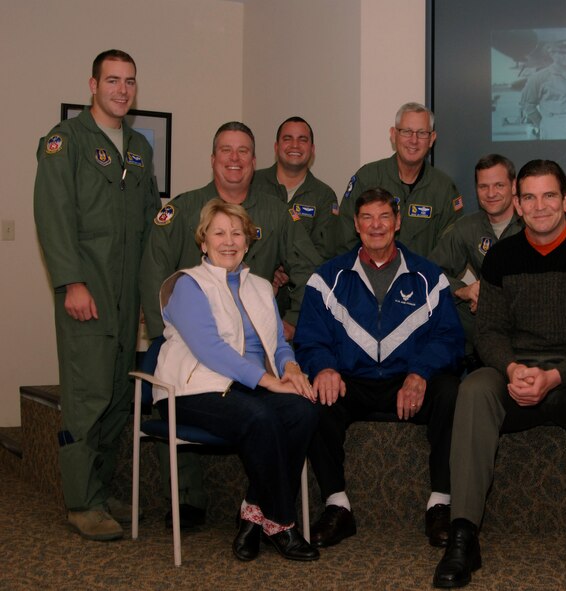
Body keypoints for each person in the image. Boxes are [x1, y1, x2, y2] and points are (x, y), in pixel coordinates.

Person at [433, 160, 566, 589]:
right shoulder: (501, 257)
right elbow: (490, 334)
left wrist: (555, 375)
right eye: (531, 197)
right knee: (475, 387)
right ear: (518, 205)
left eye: (550, 196)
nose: (540, 206)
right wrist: (513, 367)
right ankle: (463, 536)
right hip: (516, 375)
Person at [140, 121, 322, 529]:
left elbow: (305, 267)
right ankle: (208, 504)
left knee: (299, 411)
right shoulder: (185, 208)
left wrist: (288, 335)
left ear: (255, 161)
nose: (235, 159)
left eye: (243, 151)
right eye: (226, 150)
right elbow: (155, 272)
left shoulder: (274, 216)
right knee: (250, 412)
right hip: (198, 366)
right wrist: (165, 333)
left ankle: (256, 515)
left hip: (250, 361)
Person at [34, 49, 161, 541]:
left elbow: (150, 218)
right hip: (87, 289)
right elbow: (53, 215)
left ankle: (101, 490)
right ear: (93, 85)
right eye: (112, 80)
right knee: (87, 396)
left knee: (115, 396)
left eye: (129, 81)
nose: (122, 90)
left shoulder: (138, 147)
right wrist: (71, 282)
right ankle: (81, 502)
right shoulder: (65, 142)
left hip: (127, 294)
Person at [295, 188, 464, 549]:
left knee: (450, 391)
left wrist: (420, 373)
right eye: (367, 218)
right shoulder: (327, 279)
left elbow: (449, 338)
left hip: (408, 381)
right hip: (351, 381)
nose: (376, 226)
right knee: (312, 398)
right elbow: (309, 339)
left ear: (397, 222)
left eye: (384, 217)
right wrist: (324, 367)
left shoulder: (429, 278)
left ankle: (441, 504)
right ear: (356, 224)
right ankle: (336, 506)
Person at [154, 199, 319, 562]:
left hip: (244, 388)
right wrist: (268, 380)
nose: (228, 241)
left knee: (302, 411)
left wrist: (289, 368)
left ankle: (253, 513)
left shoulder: (261, 287)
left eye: (236, 233)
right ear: (203, 242)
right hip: (190, 390)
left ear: (248, 242)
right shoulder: (187, 285)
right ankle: (282, 524)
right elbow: (210, 349)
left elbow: (276, 343)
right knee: (260, 418)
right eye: (219, 233)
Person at [429, 154, 523, 366]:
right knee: (445, 302)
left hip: (530, 323)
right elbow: (430, 273)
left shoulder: (532, 222)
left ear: (514, 185)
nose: (491, 194)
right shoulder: (467, 227)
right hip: (486, 330)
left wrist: (493, 297)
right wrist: (465, 291)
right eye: (483, 187)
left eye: (499, 185)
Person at [337, 102, 463, 257]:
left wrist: (423, 277)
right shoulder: (367, 178)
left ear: (432, 139)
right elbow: (344, 236)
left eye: (422, 133)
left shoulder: (444, 189)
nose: (414, 140)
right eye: (406, 131)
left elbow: (451, 252)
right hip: (366, 277)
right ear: (393, 134)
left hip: (423, 279)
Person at [252, 116, 339, 261]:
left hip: (301, 282)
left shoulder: (324, 196)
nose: (295, 145)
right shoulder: (252, 184)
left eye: (302, 140)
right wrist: (269, 269)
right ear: (276, 147)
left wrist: (287, 270)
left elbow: (324, 253)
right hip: (252, 279)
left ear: (312, 149)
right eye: (287, 139)